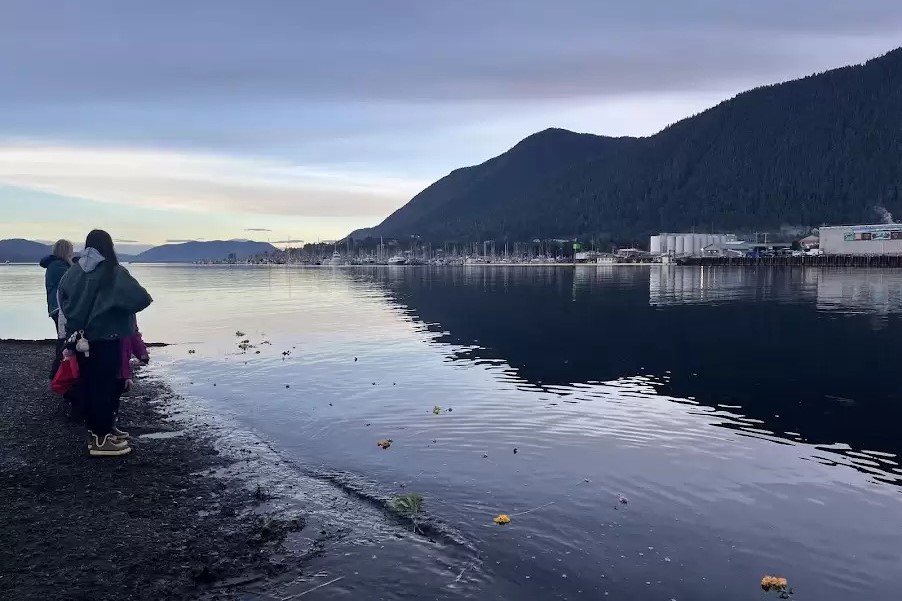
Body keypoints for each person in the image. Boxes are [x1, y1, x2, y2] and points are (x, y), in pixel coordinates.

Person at [58, 230, 153, 457]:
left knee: (90, 386)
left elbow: (62, 301)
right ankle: (101, 441)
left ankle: (97, 433)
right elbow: (141, 298)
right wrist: (115, 309)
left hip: (82, 340)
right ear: (109, 247)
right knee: (105, 388)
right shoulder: (113, 271)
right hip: (107, 338)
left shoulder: (73, 271)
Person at [40, 240, 74, 379]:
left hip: (56, 308)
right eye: (70, 250)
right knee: (64, 341)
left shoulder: (55, 266)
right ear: (66, 251)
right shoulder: (59, 267)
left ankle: (58, 374)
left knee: (64, 339)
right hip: (60, 309)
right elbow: (73, 282)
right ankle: (57, 374)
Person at [114, 316, 150, 440]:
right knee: (105, 394)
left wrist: (142, 353)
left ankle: (109, 425)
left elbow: (134, 334)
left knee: (117, 391)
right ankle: (101, 432)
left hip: (122, 363)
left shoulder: (128, 314)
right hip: (107, 357)